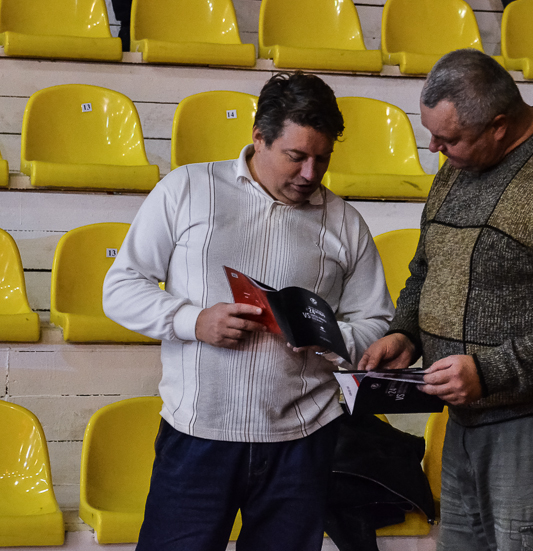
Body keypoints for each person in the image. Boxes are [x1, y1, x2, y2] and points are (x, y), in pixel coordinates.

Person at [103, 72, 394, 551]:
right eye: (296, 156)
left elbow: (376, 323)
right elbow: (120, 288)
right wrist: (194, 321)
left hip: (305, 441)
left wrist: (326, 338)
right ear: (259, 138)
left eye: (322, 158)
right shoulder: (187, 188)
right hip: (198, 434)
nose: (310, 174)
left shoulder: (345, 221)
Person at [359, 49, 533, 551]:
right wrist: (406, 332)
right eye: (432, 134)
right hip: (468, 420)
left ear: (499, 126)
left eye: (448, 139)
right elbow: (427, 267)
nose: (434, 148)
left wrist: (492, 371)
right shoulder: (459, 165)